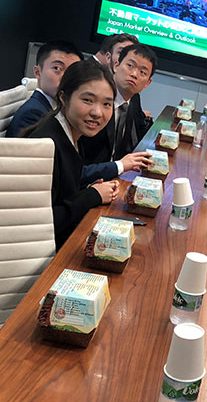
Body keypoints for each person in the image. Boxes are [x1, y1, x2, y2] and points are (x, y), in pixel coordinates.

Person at [27, 60, 120, 249]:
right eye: (87, 100)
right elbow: (39, 223)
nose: (97, 112)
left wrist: (88, 190)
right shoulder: (46, 145)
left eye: (106, 104)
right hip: (44, 255)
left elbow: (63, 192)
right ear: (63, 97)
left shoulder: (72, 133)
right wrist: (91, 195)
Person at [81, 43, 157, 165]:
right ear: (116, 65)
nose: (134, 74)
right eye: (130, 66)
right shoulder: (95, 99)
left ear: (148, 83)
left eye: (142, 72)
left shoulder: (134, 99)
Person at [6, 40, 83, 137]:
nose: (65, 77)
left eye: (72, 71)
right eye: (57, 68)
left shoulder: (54, 107)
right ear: (37, 72)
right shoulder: (33, 114)